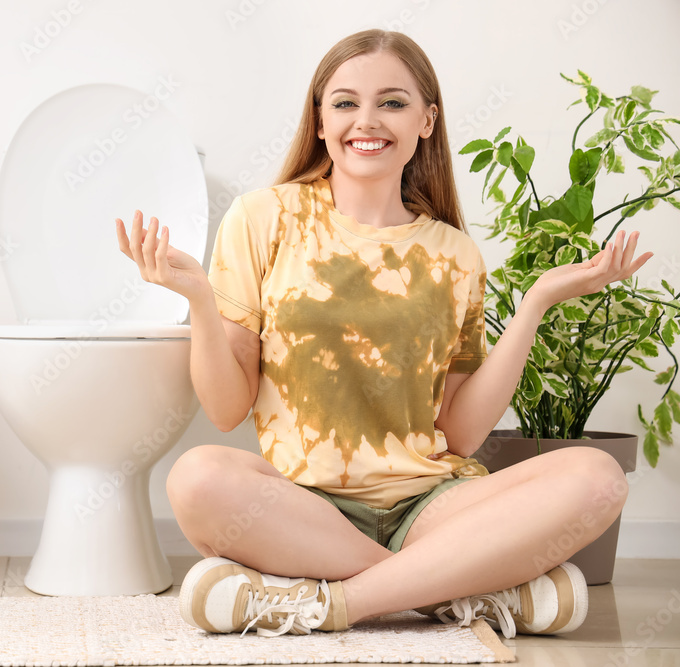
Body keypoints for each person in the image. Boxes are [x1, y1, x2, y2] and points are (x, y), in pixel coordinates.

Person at [115, 29, 652, 639]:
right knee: (197, 477)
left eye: (392, 102)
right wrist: (199, 303)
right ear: (319, 121)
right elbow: (225, 407)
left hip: (430, 505)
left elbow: (461, 432)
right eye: (345, 102)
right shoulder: (264, 218)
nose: (365, 120)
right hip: (303, 508)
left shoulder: (455, 254)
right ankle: (447, 591)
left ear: (427, 119)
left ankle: (337, 603)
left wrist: (534, 305)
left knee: (598, 478)